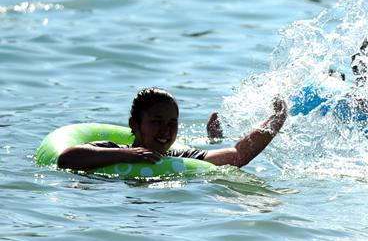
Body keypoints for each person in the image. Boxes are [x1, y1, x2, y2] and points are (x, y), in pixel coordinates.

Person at [59, 87, 287, 170]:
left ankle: (214, 138)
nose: (166, 131)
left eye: (172, 123)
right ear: (134, 125)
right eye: (156, 122)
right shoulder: (112, 149)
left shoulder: (180, 157)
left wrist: (277, 118)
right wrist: (129, 154)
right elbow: (66, 158)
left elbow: (238, 155)